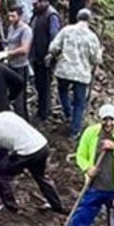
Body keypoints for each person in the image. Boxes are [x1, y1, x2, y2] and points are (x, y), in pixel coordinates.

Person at [0, 106, 65, 215]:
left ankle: (12, 209)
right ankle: (57, 206)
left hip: (28, 152)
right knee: (40, 177)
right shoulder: (6, 114)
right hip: (42, 146)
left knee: (0, 175)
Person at [48, 8, 102, 138]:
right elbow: (96, 60)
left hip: (64, 70)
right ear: (89, 20)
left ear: (77, 17)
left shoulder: (66, 30)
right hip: (82, 73)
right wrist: (100, 52)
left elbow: (53, 48)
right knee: (79, 102)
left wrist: (55, 55)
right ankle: (75, 130)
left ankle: (67, 112)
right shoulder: (92, 37)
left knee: (62, 91)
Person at [29, 0, 62, 124]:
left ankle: (44, 112)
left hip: (45, 56)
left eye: (36, 4)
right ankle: (41, 110)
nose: (34, 7)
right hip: (36, 55)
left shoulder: (51, 15)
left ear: (43, 1)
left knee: (45, 85)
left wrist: (50, 54)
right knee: (39, 84)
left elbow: (54, 37)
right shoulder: (37, 14)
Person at [0, 6, 32, 118]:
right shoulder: (11, 28)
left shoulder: (25, 30)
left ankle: (22, 119)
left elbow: (25, 49)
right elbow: (9, 43)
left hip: (20, 66)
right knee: (11, 94)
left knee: (20, 97)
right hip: (10, 65)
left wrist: (9, 53)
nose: (10, 19)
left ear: (20, 16)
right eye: (9, 16)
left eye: (13, 16)